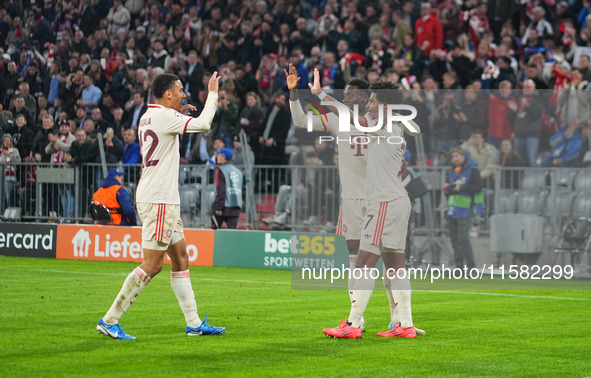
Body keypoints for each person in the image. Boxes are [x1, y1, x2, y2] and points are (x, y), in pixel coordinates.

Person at [286, 63, 425, 335]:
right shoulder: (366, 120)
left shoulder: (378, 121)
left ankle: (361, 323)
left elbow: (400, 125)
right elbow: (302, 121)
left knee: (367, 263)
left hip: (381, 200)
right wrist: (295, 94)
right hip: (361, 199)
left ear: (367, 99)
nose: (348, 97)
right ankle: (395, 323)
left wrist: (322, 94)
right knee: (377, 262)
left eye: (355, 94)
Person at [96, 72, 225, 340]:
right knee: (152, 265)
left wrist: (179, 113)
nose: (184, 95)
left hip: (163, 197)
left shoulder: (148, 115)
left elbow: (171, 129)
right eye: (180, 91)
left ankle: (193, 322)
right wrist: (212, 93)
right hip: (159, 199)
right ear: (167, 93)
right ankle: (110, 319)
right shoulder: (166, 117)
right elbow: (203, 125)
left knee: (181, 258)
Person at [444, 147, 483, 269]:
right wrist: (447, 190)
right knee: (454, 240)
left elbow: (478, 187)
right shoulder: (451, 172)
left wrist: (461, 187)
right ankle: (459, 267)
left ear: (464, 156)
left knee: (463, 239)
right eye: (453, 157)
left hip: (466, 208)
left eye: (458, 156)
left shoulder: (472, 171)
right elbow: (449, 190)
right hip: (452, 209)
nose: (455, 159)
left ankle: (471, 267)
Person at [211, 148, 243, 229]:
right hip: (236, 206)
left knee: (215, 233)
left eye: (219, 155)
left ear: (223, 156)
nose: (217, 157)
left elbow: (221, 190)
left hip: (223, 207)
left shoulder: (220, 170)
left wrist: (218, 207)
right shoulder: (239, 172)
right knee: (232, 235)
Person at [0, 134, 21, 207]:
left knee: (9, 194)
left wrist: (9, 155)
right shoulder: (0, 152)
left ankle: (10, 209)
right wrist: (4, 154)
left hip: (10, 176)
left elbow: (18, 162)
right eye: (5, 141)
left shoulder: (15, 150)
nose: (6, 142)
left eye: (8, 140)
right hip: (1, 175)